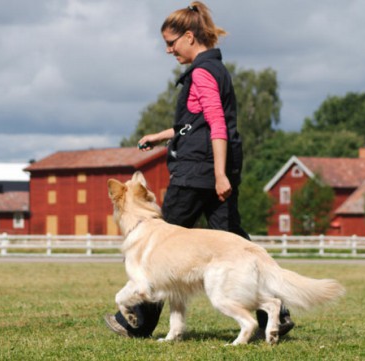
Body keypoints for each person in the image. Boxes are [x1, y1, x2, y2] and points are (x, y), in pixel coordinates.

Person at [104, 1, 293, 339]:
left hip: (197, 173)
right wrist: (162, 136)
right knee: (232, 241)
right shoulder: (216, 70)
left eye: (171, 42)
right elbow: (197, 124)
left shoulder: (202, 73)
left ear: (189, 37)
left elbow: (217, 125)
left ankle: (137, 322)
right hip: (215, 168)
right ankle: (276, 313)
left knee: (161, 251)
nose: (168, 50)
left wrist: (218, 174)